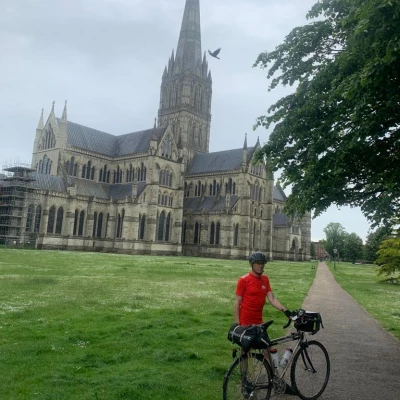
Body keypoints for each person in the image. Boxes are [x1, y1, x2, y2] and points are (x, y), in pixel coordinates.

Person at [234, 252, 293, 326]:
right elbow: (237, 303)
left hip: (259, 321)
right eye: (258, 263)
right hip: (245, 322)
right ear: (251, 264)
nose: (261, 266)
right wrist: (237, 323)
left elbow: (272, 299)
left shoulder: (265, 279)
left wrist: (285, 310)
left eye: (262, 263)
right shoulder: (243, 280)